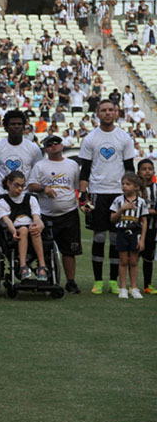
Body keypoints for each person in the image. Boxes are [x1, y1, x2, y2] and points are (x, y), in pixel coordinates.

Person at [79, 99, 137, 295]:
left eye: (110, 110)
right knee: (99, 237)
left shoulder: (124, 137)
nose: (107, 113)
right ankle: (97, 281)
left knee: (115, 238)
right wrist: (84, 197)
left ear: (116, 112)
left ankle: (113, 281)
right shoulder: (90, 138)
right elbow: (85, 170)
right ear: (97, 113)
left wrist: (131, 194)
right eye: (103, 110)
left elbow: (129, 168)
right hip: (97, 193)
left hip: (118, 193)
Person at [27, 134, 82, 293]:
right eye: (50, 144)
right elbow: (31, 185)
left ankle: (71, 281)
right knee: (44, 249)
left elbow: (77, 186)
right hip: (45, 214)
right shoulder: (40, 166)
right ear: (45, 148)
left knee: (70, 250)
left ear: (62, 145)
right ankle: (46, 277)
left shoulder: (72, 165)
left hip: (69, 213)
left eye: (56, 143)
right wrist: (45, 188)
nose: (54, 146)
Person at [0, 171, 48, 281]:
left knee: (34, 229)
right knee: (23, 230)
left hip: (32, 229)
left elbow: (37, 217)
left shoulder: (31, 199)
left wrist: (39, 225)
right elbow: (7, 221)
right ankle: (23, 266)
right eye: (16, 185)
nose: (20, 189)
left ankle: (42, 266)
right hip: (14, 231)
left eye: (22, 186)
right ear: (9, 183)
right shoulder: (0, 202)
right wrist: (14, 231)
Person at [0, 110, 42, 199]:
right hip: (2, 198)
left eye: (19, 124)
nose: (16, 126)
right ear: (6, 127)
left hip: (25, 198)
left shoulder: (34, 148)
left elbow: (39, 174)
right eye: (13, 124)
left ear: (23, 127)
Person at [109, 172, 148, 299]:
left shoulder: (141, 202)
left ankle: (134, 288)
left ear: (136, 187)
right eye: (123, 184)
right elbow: (112, 219)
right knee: (123, 261)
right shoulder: (118, 201)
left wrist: (142, 239)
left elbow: (144, 221)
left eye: (128, 184)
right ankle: (123, 288)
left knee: (134, 261)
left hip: (135, 233)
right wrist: (122, 209)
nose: (124, 186)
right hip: (122, 232)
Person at [136, 159, 157, 294]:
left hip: (152, 228)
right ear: (138, 172)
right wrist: (148, 211)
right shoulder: (135, 188)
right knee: (133, 257)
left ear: (154, 171)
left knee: (148, 257)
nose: (147, 171)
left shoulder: (156, 188)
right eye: (144, 169)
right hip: (135, 228)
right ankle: (131, 284)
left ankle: (147, 285)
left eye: (150, 168)